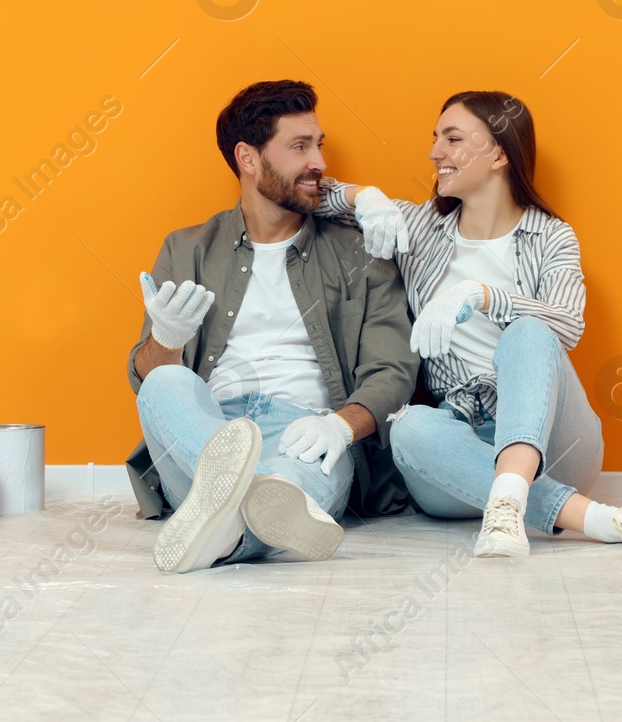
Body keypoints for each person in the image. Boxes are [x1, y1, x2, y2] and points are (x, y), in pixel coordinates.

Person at [317, 90, 622, 557]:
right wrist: (367, 197)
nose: (435, 152)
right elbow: (311, 193)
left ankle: (513, 499)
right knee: (410, 427)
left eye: (453, 138)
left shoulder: (551, 236)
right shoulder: (417, 229)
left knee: (530, 331)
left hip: (556, 446)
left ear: (499, 153)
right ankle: (598, 519)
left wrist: (483, 295)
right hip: (459, 453)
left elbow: (566, 325)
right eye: (435, 138)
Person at [124, 80, 418, 573]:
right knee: (166, 382)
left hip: (305, 433)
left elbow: (393, 369)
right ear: (249, 157)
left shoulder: (361, 251)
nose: (319, 162)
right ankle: (242, 510)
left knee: (283, 486)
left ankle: (221, 527)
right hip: (206, 428)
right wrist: (165, 342)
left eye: (318, 144)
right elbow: (144, 378)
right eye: (299, 146)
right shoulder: (187, 248)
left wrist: (338, 426)